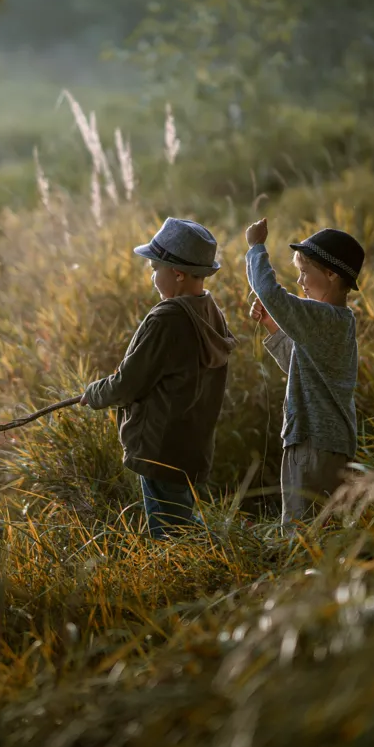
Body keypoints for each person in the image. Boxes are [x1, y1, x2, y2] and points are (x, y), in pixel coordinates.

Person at [80, 217, 237, 539]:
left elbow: (128, 383)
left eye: (155, 268)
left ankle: (197, 572)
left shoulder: (167, 319)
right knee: (178, 514)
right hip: (192, 442)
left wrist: (95, 394)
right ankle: (216, 554)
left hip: (160, 444)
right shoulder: (210, 311)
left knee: (169, 531)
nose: (152, 276)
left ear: (177, 274)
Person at [244, 219, 365, 527]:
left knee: (301, 535)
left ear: (330, 274)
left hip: (313, 444)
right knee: (325, 534)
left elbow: (271, 292)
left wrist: (256, 247)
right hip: (328, 445)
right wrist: (273, 325)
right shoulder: (338, 320)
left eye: (304, 272)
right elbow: (301, 366)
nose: (300, 281)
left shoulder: (323, 316)